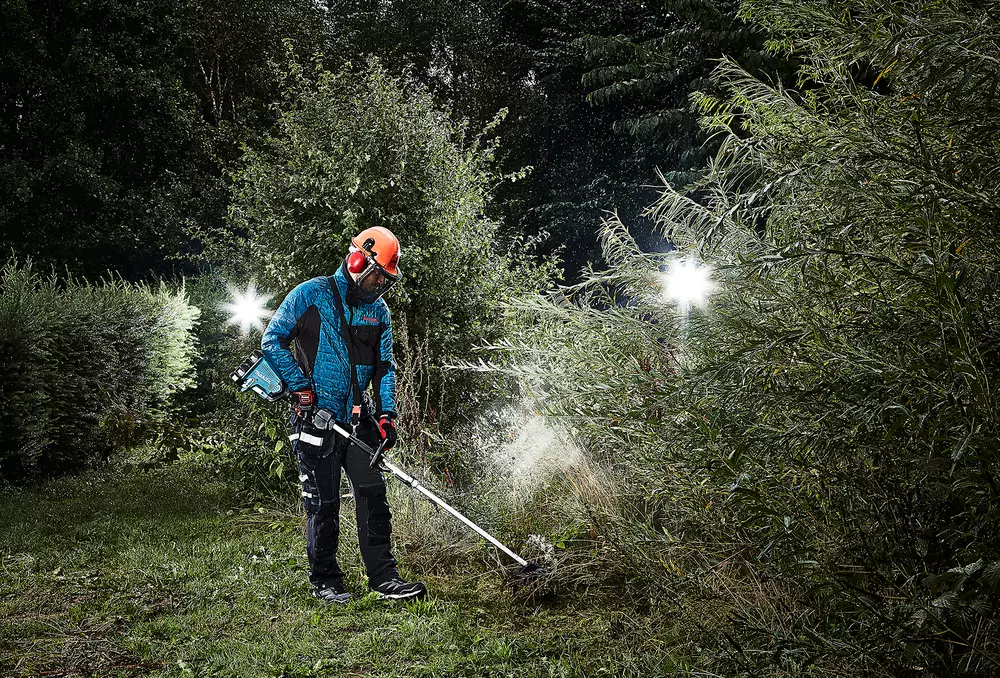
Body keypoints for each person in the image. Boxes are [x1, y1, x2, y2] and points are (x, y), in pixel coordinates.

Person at [261, 226, 427, 603]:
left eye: (386, 280)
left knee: (373, 493)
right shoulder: (311, 294)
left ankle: (384, 579)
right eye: (376, 276)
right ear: (356, 261)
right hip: (315, 417)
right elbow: (272, 340)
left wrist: (387, 415)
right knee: (323, 503)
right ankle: (326, 581)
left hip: (358, 420)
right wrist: (300, 387)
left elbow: (384, 367)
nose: (379, 285)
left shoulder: (378, 312)